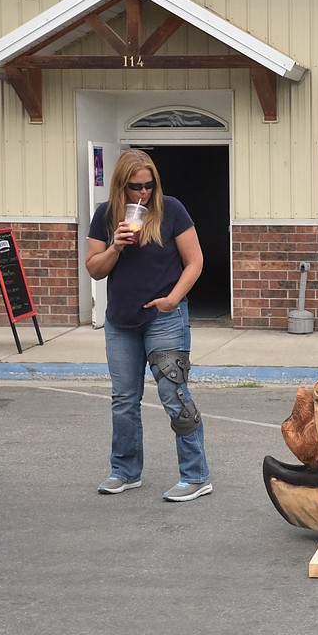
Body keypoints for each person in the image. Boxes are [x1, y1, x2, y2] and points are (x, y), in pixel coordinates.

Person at [85, 150, 213, 501]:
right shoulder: (105, 216)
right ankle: (124, 471)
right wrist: (115, 247)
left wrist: (173, 299)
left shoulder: (171, 209)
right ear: (120, 186)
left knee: (175, 396)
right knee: (124, 399)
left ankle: (196, 475)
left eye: (148, 185)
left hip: (165, 318)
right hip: (121, 321)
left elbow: (195, 261)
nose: (143, 193)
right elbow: (94, 268)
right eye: (135, 187)